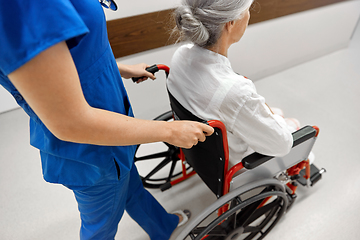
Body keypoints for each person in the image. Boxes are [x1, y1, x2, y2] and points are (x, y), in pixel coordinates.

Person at [0, 0, 213, 239]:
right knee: (99, 227)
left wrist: (122, 69)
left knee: (130, 184)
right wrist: (168, 132)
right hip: (91, 146)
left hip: (112, 124)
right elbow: (70, 122)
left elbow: (75, 55)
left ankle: (163, 227)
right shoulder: (20, 7)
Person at [168, 0, 297, 167]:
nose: (249, 16)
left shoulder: (181, 54)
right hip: (236, 162)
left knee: (275, 113)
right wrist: (279, 120)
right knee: (292, 124)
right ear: (231, 23)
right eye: (247, 10)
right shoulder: (235, 90)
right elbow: (282, 145)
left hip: (203, 151)